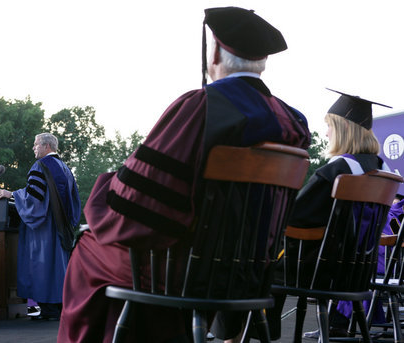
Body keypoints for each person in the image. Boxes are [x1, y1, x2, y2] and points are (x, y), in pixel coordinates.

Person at [57, 6, 311, 343]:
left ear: (216, 51)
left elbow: (140, 202)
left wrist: (105, 192)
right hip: (249, 274)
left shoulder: (200, 107)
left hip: (189, 273)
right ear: (262, 59)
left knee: (89, 247)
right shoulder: (293, 122)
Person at [268, 89, 392, 339]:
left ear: (343, 129)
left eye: (330, 126)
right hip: (358, 272)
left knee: (257, 262)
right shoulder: (383, 170)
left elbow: (293, 217)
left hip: (321, 271)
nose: (326, 133)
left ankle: (256, 332)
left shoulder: (339, 169)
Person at [0, 132, 81, 320]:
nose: (33, 148)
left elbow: (34, 198)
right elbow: (75, 201)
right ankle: (58, 309)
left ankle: (49, 310)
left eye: (35, 145)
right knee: (58, 267)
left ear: (46, 146)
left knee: (42, 265)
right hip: (61, 227)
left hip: (44, 228)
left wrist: (12, 194)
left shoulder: (41, 166)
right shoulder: (65, 168)